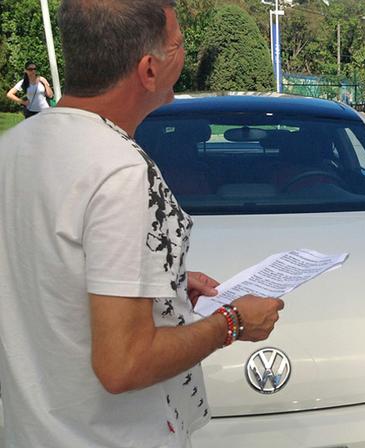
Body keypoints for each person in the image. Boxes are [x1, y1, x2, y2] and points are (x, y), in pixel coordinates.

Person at [0, 1, 284, 447]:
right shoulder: (121, 171)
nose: (184, 53)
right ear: (149, 70)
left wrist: (162, 287)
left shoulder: (14, 147)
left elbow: (49, 272)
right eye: (179, 44)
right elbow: (123, 364)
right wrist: (231, 322)